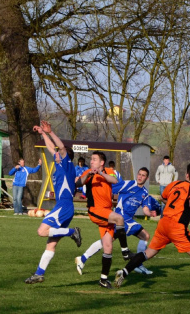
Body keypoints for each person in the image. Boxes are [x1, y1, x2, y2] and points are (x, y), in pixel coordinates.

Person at [113, 162, 190, 298]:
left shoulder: (175, 184)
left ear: (187, 174)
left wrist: (173, 204)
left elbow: (162, 197)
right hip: (177, 227)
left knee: (149, 252)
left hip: (163, 223)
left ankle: (123, 272)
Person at [25, 121, 82, 284]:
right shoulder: (59, 166)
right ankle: (39, 274)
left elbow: (61, 148)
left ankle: (72, 232)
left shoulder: (67, 165)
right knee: (51, 244)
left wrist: (50, 132)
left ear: (65, 158)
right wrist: (42, 133)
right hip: (64, 207)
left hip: (63, 206)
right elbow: (52, 149)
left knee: (42, 231)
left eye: (58, 153)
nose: (55, 153)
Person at [75, 168, 155, 276]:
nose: (140, 177)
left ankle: (82, 259)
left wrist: (150, 213)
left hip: (128, 221)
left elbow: (145, 209)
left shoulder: (144, 192)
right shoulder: (129, 184)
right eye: (139, 174)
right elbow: (111, 188)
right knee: (109, 241)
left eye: (143, 175)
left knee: (109, 240)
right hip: (119, 218)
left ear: (147, 178)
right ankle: (138, 264)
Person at [76, 150, 133, 289]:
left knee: (108, 247)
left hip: (106, 212)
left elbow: (114, 180)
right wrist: (89, 174)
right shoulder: (88, 172)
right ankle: (125, 251)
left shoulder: (108, 171)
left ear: (102, 162)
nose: (92, 161)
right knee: (119, 218)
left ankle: (103, 279)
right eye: (92, 159)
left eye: (94, 159)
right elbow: (78, 183)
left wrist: (100, 173)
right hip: (96, 210)